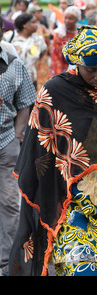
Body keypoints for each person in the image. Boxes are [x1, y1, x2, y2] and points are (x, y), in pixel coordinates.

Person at [9, 25, 97, 276]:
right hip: (69, 199)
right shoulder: (55, 90)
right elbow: (38, 148)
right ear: (77, 64)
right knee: (77, 268)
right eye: (91, 70)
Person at [0, 18, 36, 276]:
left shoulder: (14, 64)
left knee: (10, 204)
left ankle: (6, 263)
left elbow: (25, 102)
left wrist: (17, 134)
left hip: (6, 142)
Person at [9, 13, 47, 89]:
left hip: (31, 80)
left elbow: (42, 56)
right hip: (12, 80)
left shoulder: (38, 40)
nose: (36, 25)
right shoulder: (10, 37)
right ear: (24, 25)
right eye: (33, 22)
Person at [50, 6, 80, 77]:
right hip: (62, 68)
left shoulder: (80, 33)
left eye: (71, 18)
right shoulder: (60, 34)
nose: (67, 21)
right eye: (65, 18)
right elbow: (56, 56)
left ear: (77, 19)